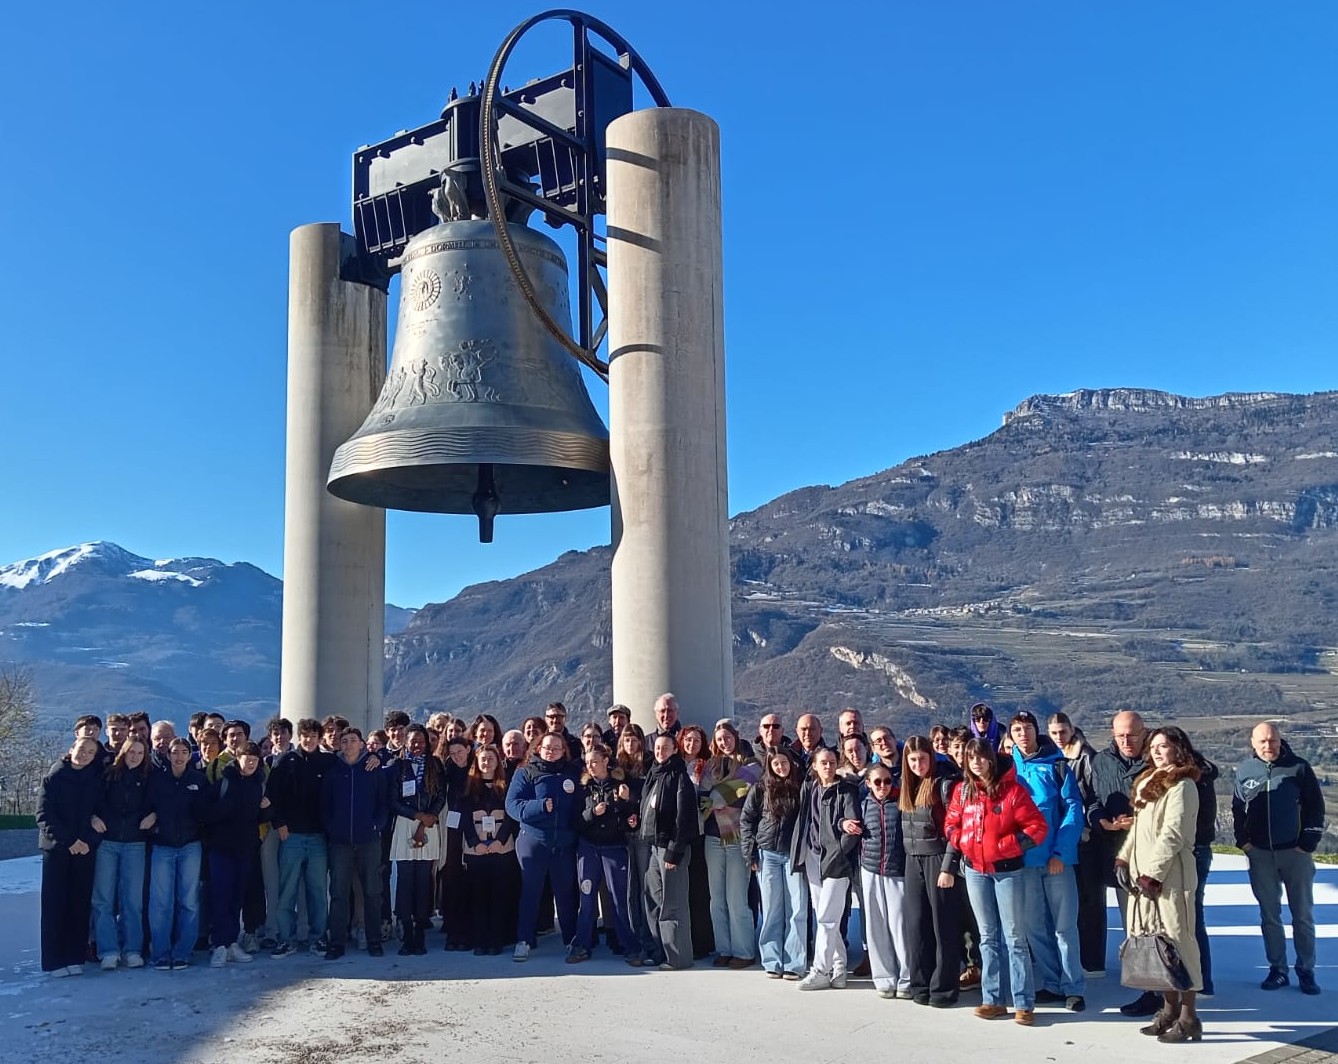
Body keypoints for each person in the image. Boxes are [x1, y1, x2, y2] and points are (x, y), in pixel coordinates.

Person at [946, 739, 1047, 1025]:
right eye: (971, 758)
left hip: (1007, 872)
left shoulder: (1012, 791)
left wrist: (1006, 847)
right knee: (987, 936)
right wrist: (963, 842)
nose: (976, 763)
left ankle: (1024, 1003)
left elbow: (1037, 827)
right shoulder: (962, 791)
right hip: (975, 871)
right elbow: (951, 824)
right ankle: (992, 1000)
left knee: (1015, 938)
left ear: (991, 759)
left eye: (981, 757)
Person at [1115, 726, 1205, 1042]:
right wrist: (1123, 859)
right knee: (1156, 945)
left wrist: (1152, 874)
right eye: (1153, 746)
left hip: (1172, 877)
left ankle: (1189, 1016)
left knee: (1179, 943)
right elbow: (1138, 829)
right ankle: (1168, 1010)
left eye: (1163, 746)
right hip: (1143, 879)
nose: (1156, 751)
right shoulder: (1148, 782)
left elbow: (1173, 834)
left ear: (1178, 749)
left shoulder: (1183, 785)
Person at [1232, 721, 1326, 995]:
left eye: (1272, 740)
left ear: (1280, 739)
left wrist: (1308, 843)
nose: (1268, 746)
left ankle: (1306, 970)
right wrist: (1244, 842)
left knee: (1302, 915)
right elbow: (1237, 808)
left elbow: (1315, 807)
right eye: (1262, 741)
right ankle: (1278, 969)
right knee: (1269, 916)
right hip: (1260, 854)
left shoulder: (1299, 767)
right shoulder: (1245, 770)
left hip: (1295, 853)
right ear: (1253, 743)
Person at [1008, 711, 1086, 1011]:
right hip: (1023, 862)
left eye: (1027, 728)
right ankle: (1052, 983)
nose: (1023, 734)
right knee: (1034, 928)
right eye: (1017, 729)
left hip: (1055, 860)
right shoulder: (1006, 767)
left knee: (1064, 927)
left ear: (1035, 731)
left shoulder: (1057, 765)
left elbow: (1073, 810)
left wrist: (1061, 853)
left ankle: (1073, 987)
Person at [1081, 709, 1157, 1016]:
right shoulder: (1101, 761)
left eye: (1132, 735)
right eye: (1121, 735)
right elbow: (1092, 799)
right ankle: (1140, 980)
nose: (1127, 741)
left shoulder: (1156, 760)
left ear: (1144, 733)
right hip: (1110, 850)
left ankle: (1152, 987)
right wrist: (1101, 820)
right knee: (1125, 920)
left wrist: (1138, 822)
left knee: (1145, 922)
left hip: (1147, 854)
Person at [789, 746, 861, 990]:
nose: (828, 766)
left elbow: (853, 827)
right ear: (815, 766)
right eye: (823, 762)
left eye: (832, 762)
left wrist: (839, 851)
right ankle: (839, 966)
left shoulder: (846, 791)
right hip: (813, 857)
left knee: (827, 918)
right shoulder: (810, 788)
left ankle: (820, 970)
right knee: (825, 915)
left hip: (836, 861)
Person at [506, 731, 581, 961]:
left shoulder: (573, 773)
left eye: (556, 748)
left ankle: (571, 939)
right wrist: (539, 807)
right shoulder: (525, 772)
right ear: (538, 748)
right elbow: (512, 805)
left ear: (563, 751)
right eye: (547, 747)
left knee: (566, 893)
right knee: (531, 892)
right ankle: (524, 940)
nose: (551, 752)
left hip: (564, 843)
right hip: (534, 840)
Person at [899, 735, 962, 1007]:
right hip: (913, 859)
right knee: (916, 925)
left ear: (931, 758)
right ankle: (920, 984)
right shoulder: (907, 786)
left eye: (922, 759)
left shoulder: (943, 785)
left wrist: (948, 866)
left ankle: (944, 988)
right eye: (913, 760)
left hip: (938, 858)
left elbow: (955, 829)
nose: (918, 764)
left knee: (943, 925)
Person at [267, 718, 335, 958]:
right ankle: (286, 939)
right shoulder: (286, 761)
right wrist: (279, 822)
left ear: (319, 738)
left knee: (318, 891)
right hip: (292, 836)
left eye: (313, 736)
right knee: (287, 890)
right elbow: (272, 795)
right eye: (305, 736)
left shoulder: (328, 762)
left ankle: (318, 937)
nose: (309, 740)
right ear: (299, 737)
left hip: (318, 837)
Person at [199, 741, 270, 967]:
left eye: (255, 759)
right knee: (221, 895)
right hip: (221, 848)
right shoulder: (224, 783)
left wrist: (267, 809)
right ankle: (220, 944)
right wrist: (222, 808)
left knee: (237, 896)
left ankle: (231, 942)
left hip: (245, 849)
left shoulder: (259, 786)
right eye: (247, 758)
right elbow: (202, 811)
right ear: (238, 760)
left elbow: (258, 818)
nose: (251, 763)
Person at [37, 737, 103, 976]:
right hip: (57, 850)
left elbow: (101, 816)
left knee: (79, 904)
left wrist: (88, 841)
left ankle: (74, 957)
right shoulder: (53, 778)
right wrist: (69, 842)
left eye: (91, 752)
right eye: (82, 749)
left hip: (84, 850)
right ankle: (54, 961)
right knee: (55, 905)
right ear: (71, 749)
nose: (85, 754)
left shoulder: (95, 781)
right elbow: (44, 815)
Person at [567, 743, 637, 963]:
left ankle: (630, 946)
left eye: (595, 762)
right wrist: (592, 813)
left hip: (614, 848)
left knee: (619, 899)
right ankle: (581, 945)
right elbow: (575, 821)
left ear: (606, 761)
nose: (591, 766)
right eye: (588, 762)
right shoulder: (582, 788)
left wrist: (625, 804)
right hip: (588, 848)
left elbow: (630, 818)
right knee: (587, 898)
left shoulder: (620, 786)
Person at [321, 727, 387, 960]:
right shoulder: (333, 772)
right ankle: (336, 942)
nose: (348, 744)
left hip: (369, 840)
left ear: (361, 744)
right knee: (339, 893)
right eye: (344, 741)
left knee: (372, 891)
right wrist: (332, 828)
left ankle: (374, 940)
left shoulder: (373, 769)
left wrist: (376, 826)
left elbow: (383, 802)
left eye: (353, 740)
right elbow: (324, 805)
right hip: (340, 842)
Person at [90, 736, 156, 969]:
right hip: (107, 843)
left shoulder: (149, 778)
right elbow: (93, 802)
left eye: (139, 753)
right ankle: (108, 950)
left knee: (132, 901)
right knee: (103, 899)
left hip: (135, 844)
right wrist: (93, 817)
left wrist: (154, 816)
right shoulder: (108, 775)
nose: (135, 756)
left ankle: (132, 949)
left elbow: (159, 803)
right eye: (131, 752)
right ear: (123, 752)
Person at [741, 747, 806, 979]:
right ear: (769, 766)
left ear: (790, 763)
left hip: (793, 854)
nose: (780, 767)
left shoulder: (801, 787)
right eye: (776, 763)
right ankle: (772, 960)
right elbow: (747, 820)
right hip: (767, 853)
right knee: (771, 909)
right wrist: (750, 853)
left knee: (796, 909)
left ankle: (794, 962)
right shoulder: (760, 789)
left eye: (784, 762)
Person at [701, 720, 761, 968]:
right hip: (713, 836)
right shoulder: (710, 766)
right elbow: (703, 795)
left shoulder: (751, 765)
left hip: (737, 837)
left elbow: (726, 797)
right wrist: (721, 793)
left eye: (727, 737)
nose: (724, 742)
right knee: (716, 899)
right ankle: (724, 949)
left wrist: (717, 794)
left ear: (736, 736)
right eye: (719, 739)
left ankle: (744, 951)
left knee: (737, 898)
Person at [638, 733, 700, 969]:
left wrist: (675, 851)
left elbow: (684, 818)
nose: (660, 751)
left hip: (670, 848)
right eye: (657, 747)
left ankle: (678, 957)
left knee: (673, 903)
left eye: (665, 747)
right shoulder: (654, 774)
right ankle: (659, 951)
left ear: (675, 750)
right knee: (653, 899)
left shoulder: (679, 777)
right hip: (652, 845)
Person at [146, 737, 207, 970]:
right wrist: (153, 822)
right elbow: (147, 806)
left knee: (189, 901)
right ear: (168, 755)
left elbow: (205, 811)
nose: (179, 756)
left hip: (190, 845)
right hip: (162, 845)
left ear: (190, 755)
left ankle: (183, 951)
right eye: (175, 752)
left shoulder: (198, 780)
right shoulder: (157, 779)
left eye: (184, 752)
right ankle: (161, 952)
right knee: (161, 902)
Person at [853, 761, 910, 999]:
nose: (883, 786)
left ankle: (906, 977)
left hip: (897, 871)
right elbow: (844, 823)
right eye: (877, 782)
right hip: (870, 869)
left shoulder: (901, 805)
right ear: (868, 784)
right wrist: (843, 824)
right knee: (876, 925)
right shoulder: (862, 806)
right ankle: (884, 978)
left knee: (900, 926)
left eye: (887, 781)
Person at [388, 724, 447, 955]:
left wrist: (428, 817)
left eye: (421, 741)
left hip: (429, 824)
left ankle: (421, 931)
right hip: (405, 823)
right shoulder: (398, 766)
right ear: (405, 741)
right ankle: (406, 932)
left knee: (424, 880)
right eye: (413, 741)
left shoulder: (435, 765)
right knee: (405, 880)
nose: (417, 745)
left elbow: (441, 794)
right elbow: (393, 800)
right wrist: (416, 815)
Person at [459, 744, 518, 956]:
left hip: (501, 849)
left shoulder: (506, 786)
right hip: (477, 850)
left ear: (497, 762)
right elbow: (464, 820)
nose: (486, 763)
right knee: (478, 896)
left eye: (490, 759)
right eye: (483, 759)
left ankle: (496, 940)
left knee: (499, 895)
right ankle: (480, 940)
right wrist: (475, 842)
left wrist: (499, 841)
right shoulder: (469, 787)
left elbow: (511, 817)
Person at [678, 724, 715, 960]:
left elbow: (713, 796)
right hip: (677, 835)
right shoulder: (674, 765)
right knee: (679, 891)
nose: (692, 744)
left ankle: (701, 942)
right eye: (688, 739)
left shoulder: (706, 767)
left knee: (699, 891)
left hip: (700, 834)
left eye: (697, 740)